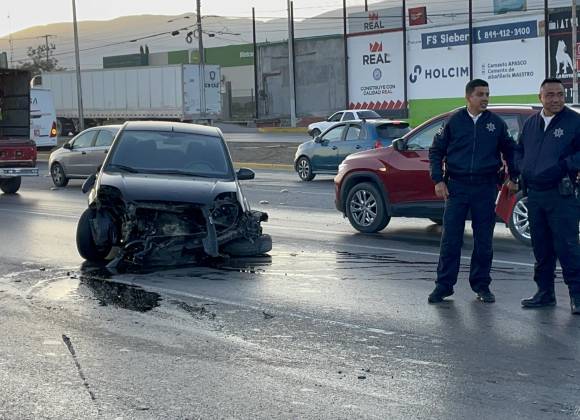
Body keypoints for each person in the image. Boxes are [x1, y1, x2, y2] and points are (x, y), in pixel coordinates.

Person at [428, 79, 518, 304]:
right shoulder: (454, 121)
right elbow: (436, 151)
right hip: (457, 188)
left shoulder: (495, 123)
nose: (485, 98)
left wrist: (514, 176)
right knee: (450, 240)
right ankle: (443, 286)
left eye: (487, 94)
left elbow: (511, 151)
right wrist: (438, 180)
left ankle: (482, 286)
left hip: (485, 188)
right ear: (468, 97)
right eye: (480, 94)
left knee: (484, 241)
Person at [515, 78, 580, 314]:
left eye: (560, 94)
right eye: (550, 95)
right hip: (535, 195)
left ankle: (577, 296)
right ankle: (544, 293)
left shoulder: (574, 121)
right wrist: (522, 167)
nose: (556, 99)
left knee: (567, 247)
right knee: (541, 248)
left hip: (561, 195)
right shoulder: (531, 123)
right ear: (540, 97)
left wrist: (563, 166)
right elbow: (519, 150)